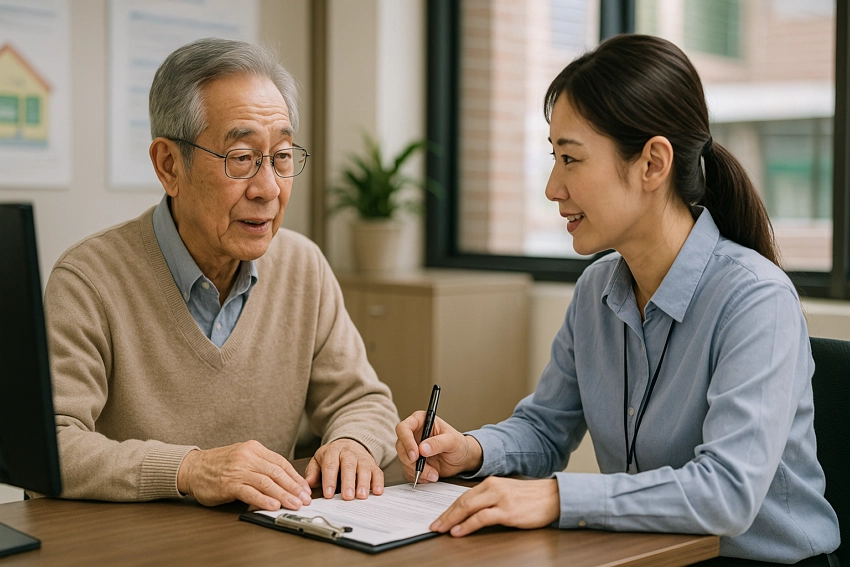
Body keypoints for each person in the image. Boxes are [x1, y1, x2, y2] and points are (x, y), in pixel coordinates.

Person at [396, 34, 840, 566]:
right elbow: (545, 429)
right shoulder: (595, 291)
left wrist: (558, 497)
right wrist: (471, 451)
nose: (552, 187)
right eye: (553, 157)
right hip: (650, 554)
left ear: (653, 164)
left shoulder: (755, 299)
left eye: (570, 159)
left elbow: (726, 493)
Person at [44, 37, 399, 512]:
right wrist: (190, 469)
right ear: (169, 166)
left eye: (282, 156)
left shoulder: (302, 266)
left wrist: (353, 443)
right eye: (242, 158)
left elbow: (364, 401)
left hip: (261, 544)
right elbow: (52, 445)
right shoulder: (88, 279)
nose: (268, 188)